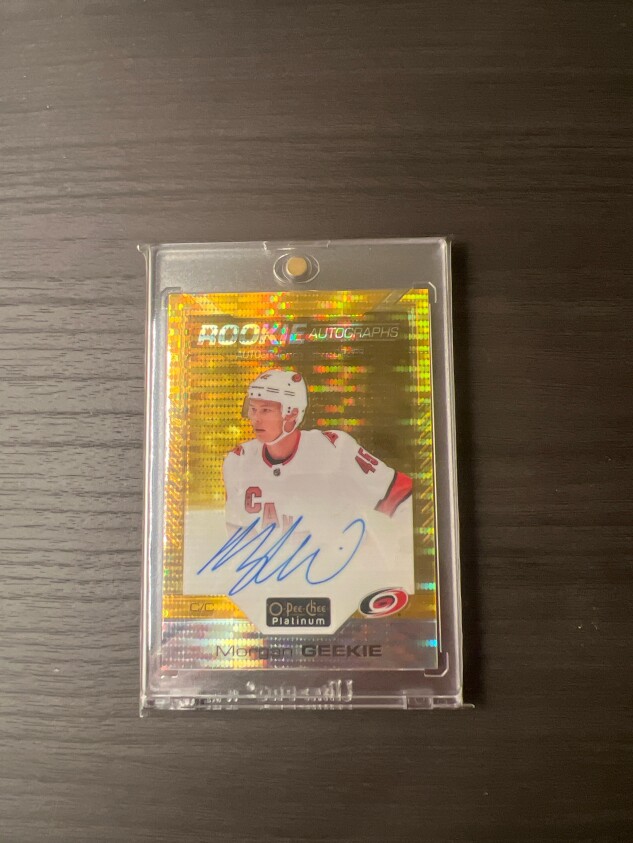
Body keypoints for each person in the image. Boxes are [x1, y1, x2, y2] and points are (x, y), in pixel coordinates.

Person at [223, 368, 413, 540]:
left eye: (265, 410)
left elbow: (404, 496)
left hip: (344, 563)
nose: (255, 419)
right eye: (253, 409)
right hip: (282, 566)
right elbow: (238, 537)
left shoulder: (334, 450)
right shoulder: (238, 461)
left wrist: (407, 550)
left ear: (292, 413)